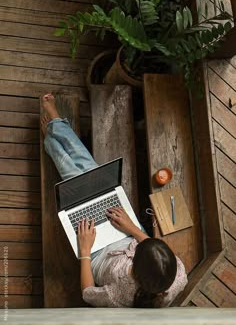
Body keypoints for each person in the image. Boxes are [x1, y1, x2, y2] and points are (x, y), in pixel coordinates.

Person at [41, 93, 188, 308]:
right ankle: (53, 135)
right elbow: (148, 246)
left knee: (78, 180)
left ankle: (54, 131)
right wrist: (132, 228)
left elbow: (88, 293)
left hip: (96, 252)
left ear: (135, 269)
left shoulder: (120, 295)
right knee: (92, 175)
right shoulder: (178, 274)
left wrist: (85, 252)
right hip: (126, 231)